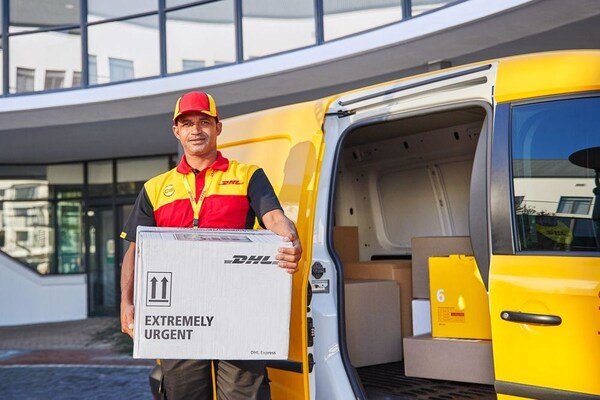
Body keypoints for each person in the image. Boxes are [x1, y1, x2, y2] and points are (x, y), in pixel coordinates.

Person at [119, 91, 302, 400]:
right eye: (187, 123)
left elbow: (273, 216)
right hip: (178, 315)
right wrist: (126, 303)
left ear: (218, 127)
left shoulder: (247, 176)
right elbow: (135, 251)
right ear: (176, 131)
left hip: (238, 311)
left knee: (244, 395)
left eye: (204, 122)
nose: (196, 130)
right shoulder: (155, 188)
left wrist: (290, 239)